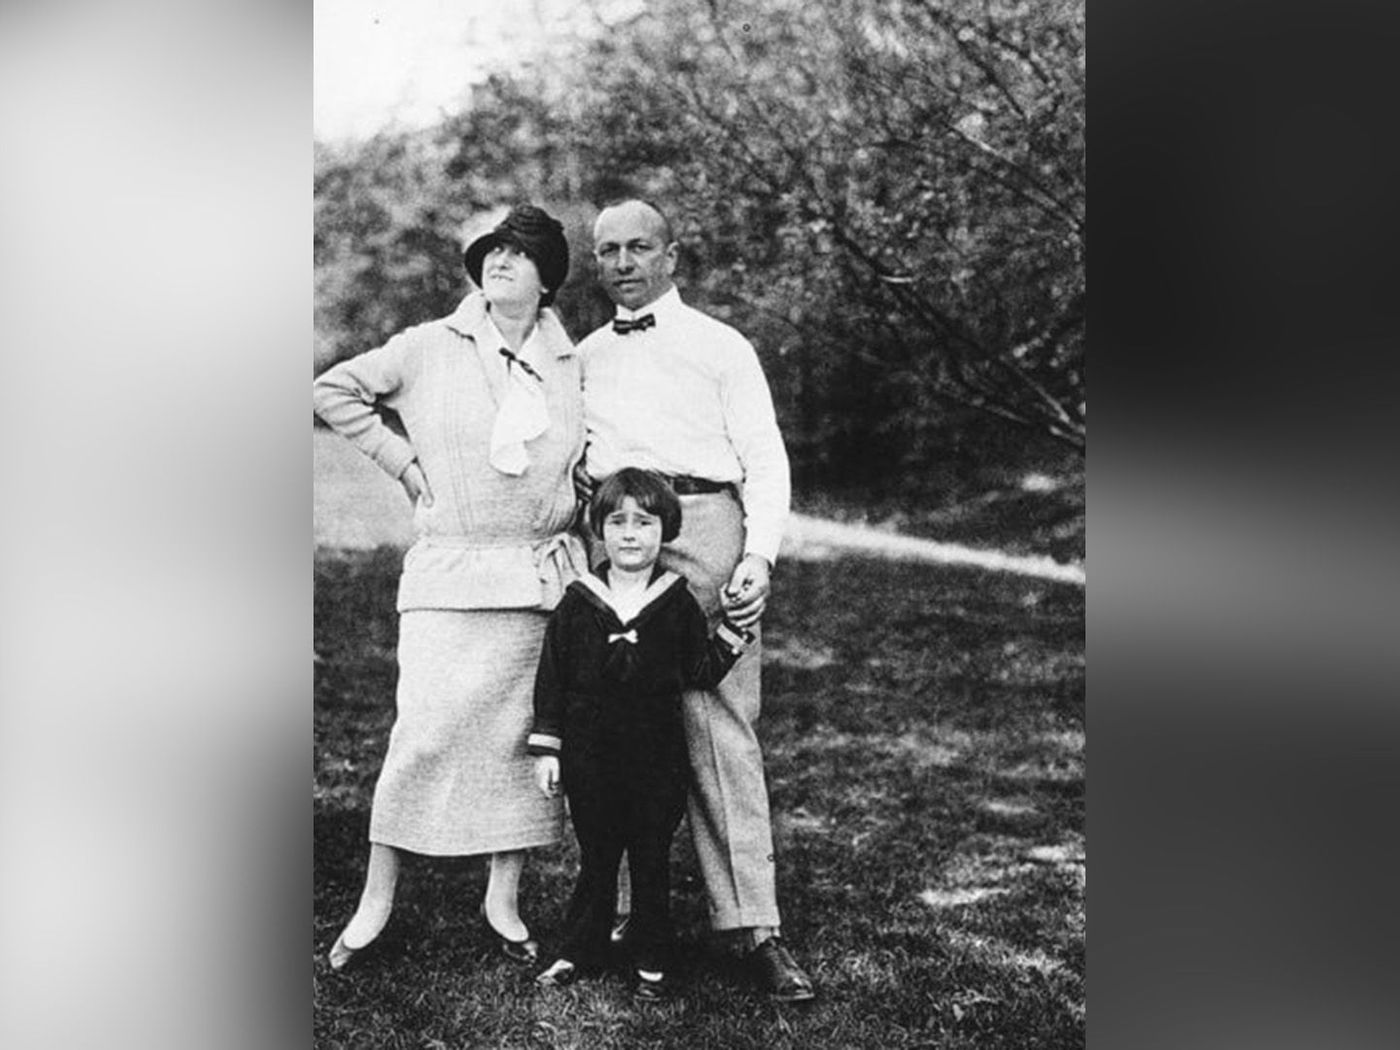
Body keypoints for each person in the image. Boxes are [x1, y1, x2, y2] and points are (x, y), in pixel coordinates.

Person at [313, 204, 587, 971]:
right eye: (491, 250)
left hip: (538, 582)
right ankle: (375, 902)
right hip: (449, 574)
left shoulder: (572, 362)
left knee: (520, 744)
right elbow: (332, 390)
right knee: (424, 734)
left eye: (518, 252)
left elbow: (586, 457)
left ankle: (503, 900)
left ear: (547, 276)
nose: (499, 260)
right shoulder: (428, 345)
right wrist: (403, 463)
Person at [574, 198, 816, 1001]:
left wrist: (759, 557)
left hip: (707, 525)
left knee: (719, 727)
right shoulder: (583, 356)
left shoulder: (721, 345)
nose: (623, 263)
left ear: (672, 255)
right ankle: (615, 918)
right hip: (616, 535)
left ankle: (752, 928)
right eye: (608, 250)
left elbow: (765, 459)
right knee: (610, 727)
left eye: (639, 247)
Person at [527, 469, 754, 1002]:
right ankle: (579, 948)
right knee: (598, 855)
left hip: (657, 761)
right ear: (599, 530)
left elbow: (699, 670)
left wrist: (733, 631)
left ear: (666, 530)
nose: (630, 534)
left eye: (645, 522)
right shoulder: (579, 602)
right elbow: (552, 678)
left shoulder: (675, 602)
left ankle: (653, 957)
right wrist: (548, 748)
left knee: (651, 858)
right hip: (589, 759)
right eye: (617, 522)